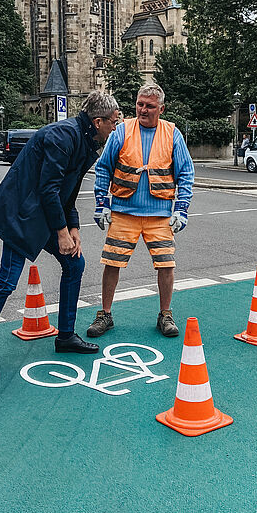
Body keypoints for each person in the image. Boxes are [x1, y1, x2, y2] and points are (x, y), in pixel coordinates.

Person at [0, 91, 121, 381]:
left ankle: (66, 336)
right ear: (98, 121)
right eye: (114, 122)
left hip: (45, 213)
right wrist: (62, 232)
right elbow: (49, 188)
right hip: (21, 214)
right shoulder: (63, 136)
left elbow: (69, 189)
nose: (116, 127)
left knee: (74, 264)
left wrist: (73, 227)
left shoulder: (86, 141)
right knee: (6, 281)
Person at [89, 84, 194, 339]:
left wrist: (181, 209)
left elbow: (186, 173)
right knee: (112, 262)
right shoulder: (122, 131)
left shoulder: (172, 133)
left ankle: (165, 314)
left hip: (159, 215)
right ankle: (105, 314)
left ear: (161, 109)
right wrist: (101, 203)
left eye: (150, 106)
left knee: (166, 264)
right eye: (140, 104)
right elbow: (103, 167)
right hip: (124, 211)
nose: (143, 110)